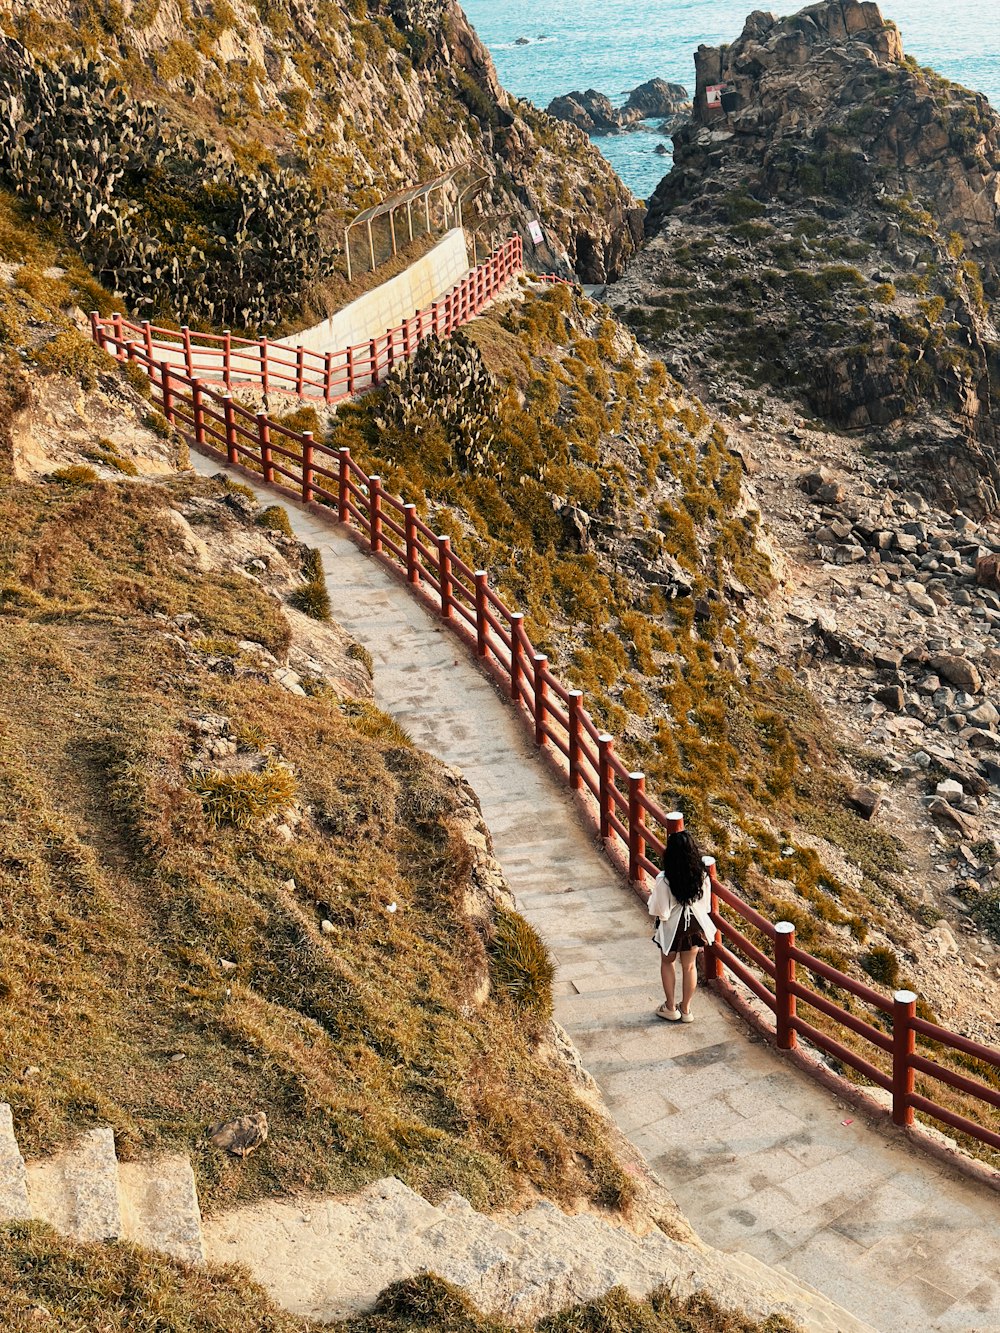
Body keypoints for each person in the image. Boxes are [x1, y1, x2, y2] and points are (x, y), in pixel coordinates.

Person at [646, 829, 715, 1023]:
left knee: (667, 962)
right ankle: (685, 1009)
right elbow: (706, 905)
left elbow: (661, 910)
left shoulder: (665, 879)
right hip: (694, 924)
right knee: (690, 966)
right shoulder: (702, 875)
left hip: (672, 928)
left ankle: (670, 1007)